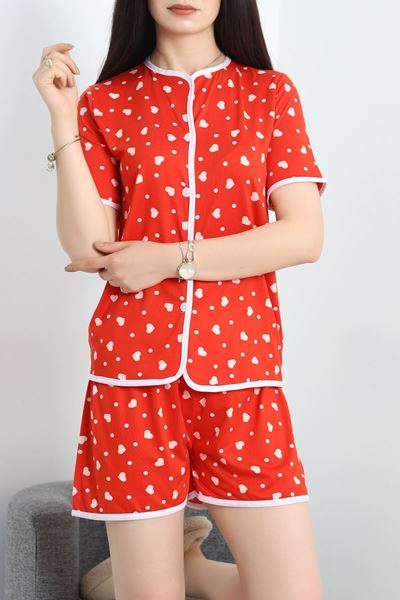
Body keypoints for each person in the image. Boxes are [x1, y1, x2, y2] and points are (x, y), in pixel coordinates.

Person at [32, 1, 328, 598]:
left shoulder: (269, 94)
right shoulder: (107, 101)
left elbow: (303, 236)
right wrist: (64, 120)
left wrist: (169, 258)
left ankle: (190, 567)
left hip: (242, 376)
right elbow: (89, 246)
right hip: (132, 379)